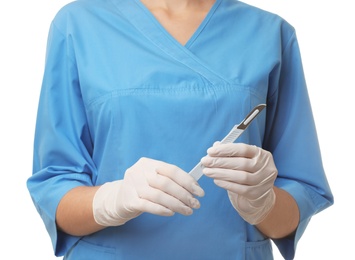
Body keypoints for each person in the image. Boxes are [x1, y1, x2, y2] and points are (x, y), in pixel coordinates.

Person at [27, 0, 334, 259]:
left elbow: (294, 207)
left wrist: (262, 202)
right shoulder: (79, 25)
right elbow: (55, 188)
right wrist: (111, 199)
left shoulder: (269, 34)